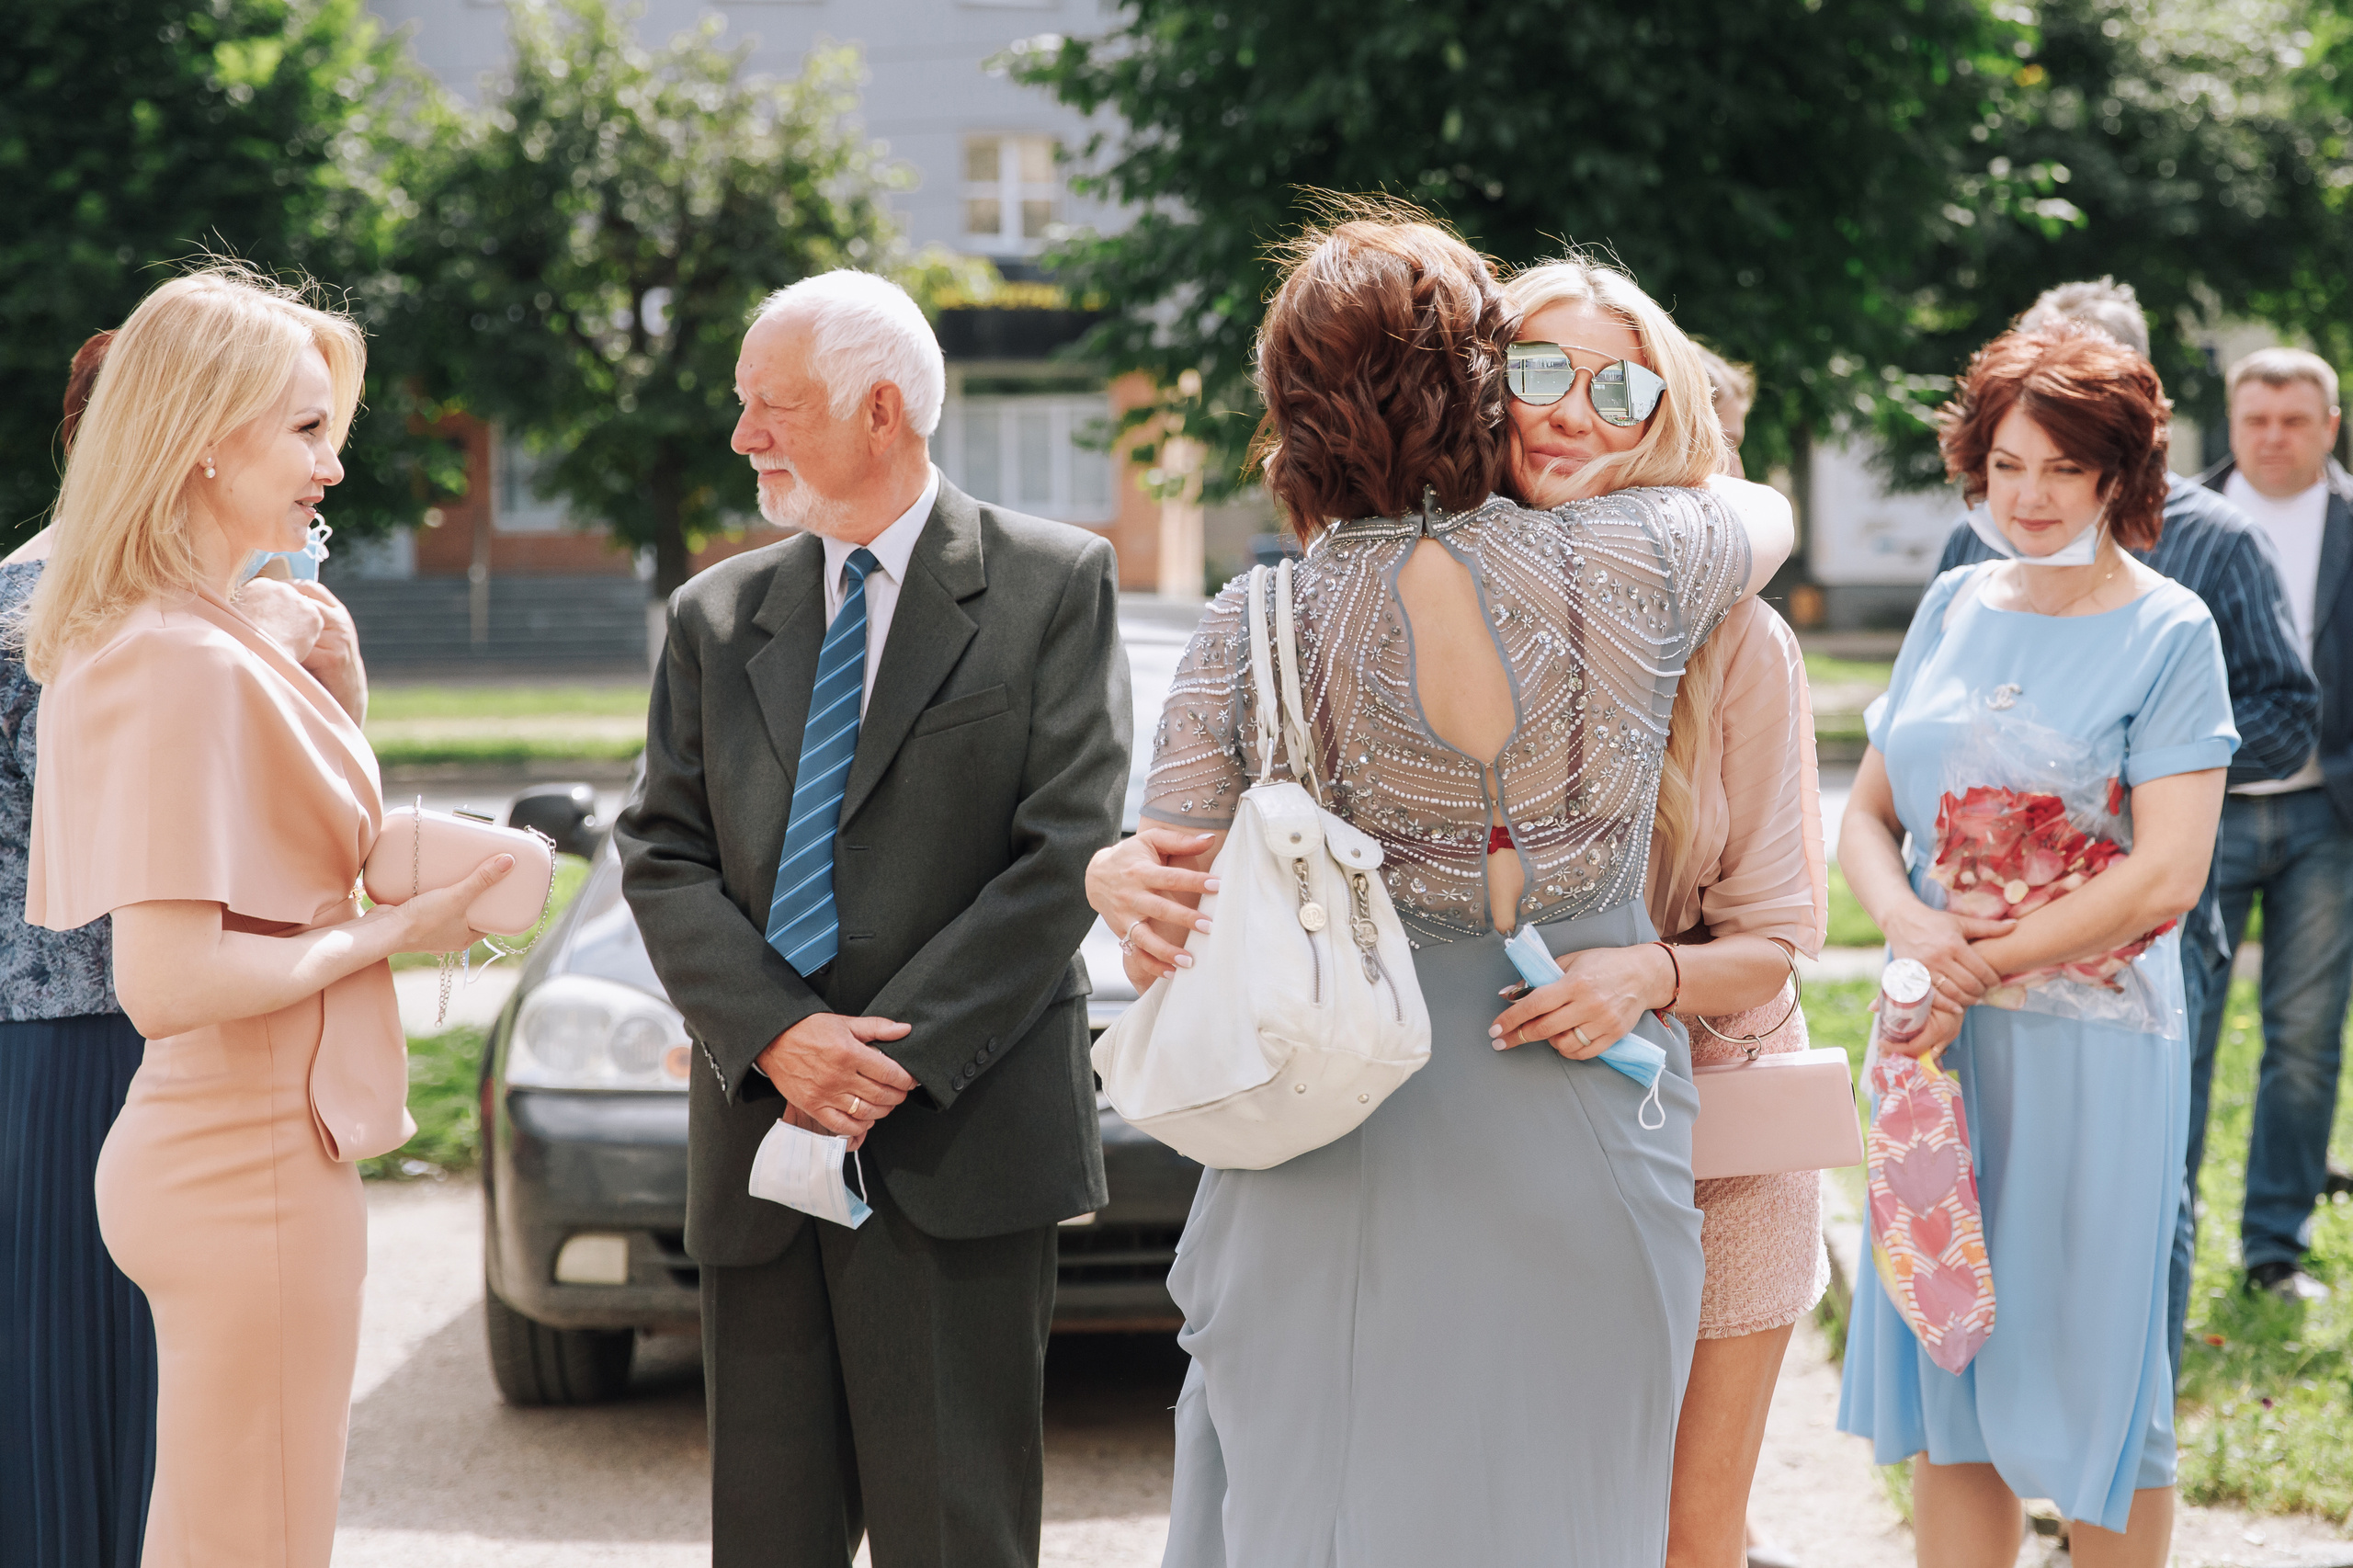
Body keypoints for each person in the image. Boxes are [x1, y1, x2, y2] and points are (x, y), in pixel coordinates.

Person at [1095, 211, 1792, 1563]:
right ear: (1482, 382)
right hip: (1579, 1146)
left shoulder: (1250, 626)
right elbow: (1755, 509)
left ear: (1289, 416)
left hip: (1326, 1155)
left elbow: (1154, 948)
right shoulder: (1641, 557)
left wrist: (1114, 869)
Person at [614, 270, 1130, 1568]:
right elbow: (661, 851)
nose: (745, 439)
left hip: (958, 1139)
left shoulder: (1052, 584)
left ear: (882, 408)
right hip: (761, 1138)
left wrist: (876, 1059)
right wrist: (782, 1036)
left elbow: (1061, 852)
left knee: (955, 1536)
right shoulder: (715, 616)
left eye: (769, 406)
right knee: (768, 1540)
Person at [16, 266, 507, 1568]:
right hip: (248, 1160)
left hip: (241, 1149)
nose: (331, 467)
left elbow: (280, 855)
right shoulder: (177, 653)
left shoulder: (169, 630)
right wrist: (397, 932)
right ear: (200, 435)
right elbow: (166, 978)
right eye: (303, 429)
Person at [1838, 324, 2235, 1563]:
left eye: (2063, 467)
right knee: (1952, 1363)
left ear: (2120, 473)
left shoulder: (2172, 631)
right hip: (1943, 1047)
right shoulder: (1954, 600)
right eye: (2007, 464)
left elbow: (2167, 869)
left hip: (2095, 1048)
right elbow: (1868, 812)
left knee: (2100, 1370)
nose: (2030, 494)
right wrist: (1910, 928)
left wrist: (1978, 960)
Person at [1927, 279, 2317, 1347]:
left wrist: (2145, 781)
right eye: (2017, 449)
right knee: (1997, 1179)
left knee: (2153, 1159)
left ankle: (2142, 1362)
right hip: (1976, 929)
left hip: (2135, 914)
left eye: (2074, 436)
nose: (2037, 479)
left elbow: (2286, 711)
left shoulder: (2216, 546)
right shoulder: (1971, 557)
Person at [2177, 347, 2353, 1305]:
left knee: (2305, 1033)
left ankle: (2272, 1248)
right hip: (2199, 817)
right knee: (2184, 1026)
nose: (2274, 436)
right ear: (2231, 423)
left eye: (2295, 418)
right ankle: (2165, 1221)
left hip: (2328, 816)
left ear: (2330, 424)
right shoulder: (2175, 518)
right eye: (2257, 419)